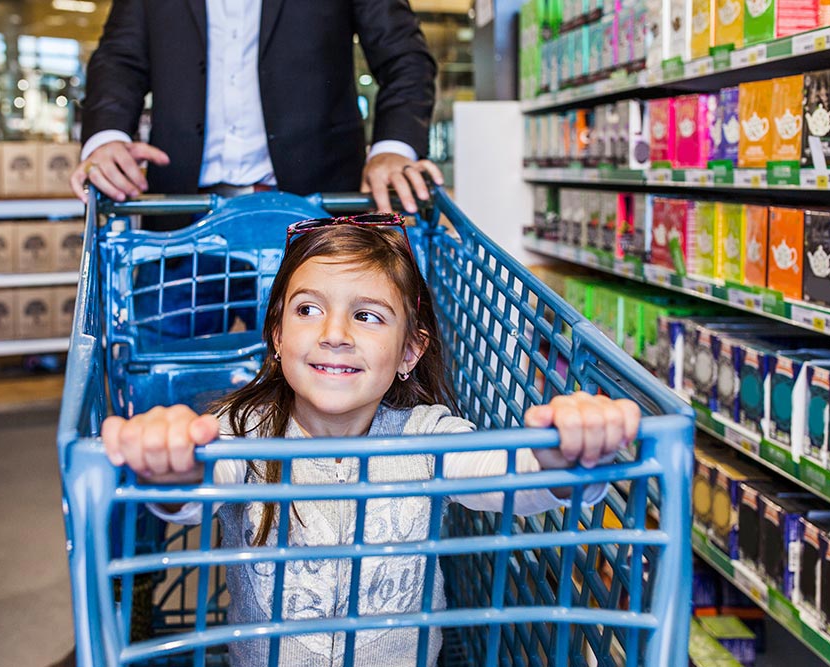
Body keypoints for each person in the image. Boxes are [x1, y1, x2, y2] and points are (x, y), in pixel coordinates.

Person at [100, 215, 642, 665]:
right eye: (308, 309)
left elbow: (507, 476)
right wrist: (171, 465)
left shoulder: (424, 437)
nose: (334, 333)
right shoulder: (244, 430)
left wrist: (561, 449)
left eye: (366, 316)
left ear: (409, 352)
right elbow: (196, 486)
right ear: (277, 334)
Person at [68, 0, 444, 222]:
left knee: (318, 356)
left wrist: (393, 148)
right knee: (163, 355)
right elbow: (120, 59)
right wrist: (107, 137)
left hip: (314, 217)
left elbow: (405, 58)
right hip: (181, 217)